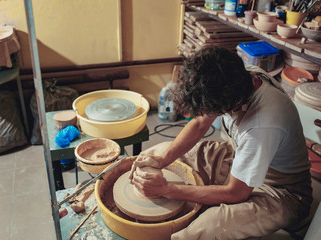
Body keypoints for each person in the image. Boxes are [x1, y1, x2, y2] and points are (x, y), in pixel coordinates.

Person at [129, 45, 313, 239]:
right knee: (154, 154)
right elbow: (200, 123)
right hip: (239, 154)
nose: (203, 115)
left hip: (280, 191)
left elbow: (236, 193)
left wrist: (168, 190)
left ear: (229, 105)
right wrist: (162, 160)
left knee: (198, 232)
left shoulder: (262, 124)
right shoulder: (239, 76)